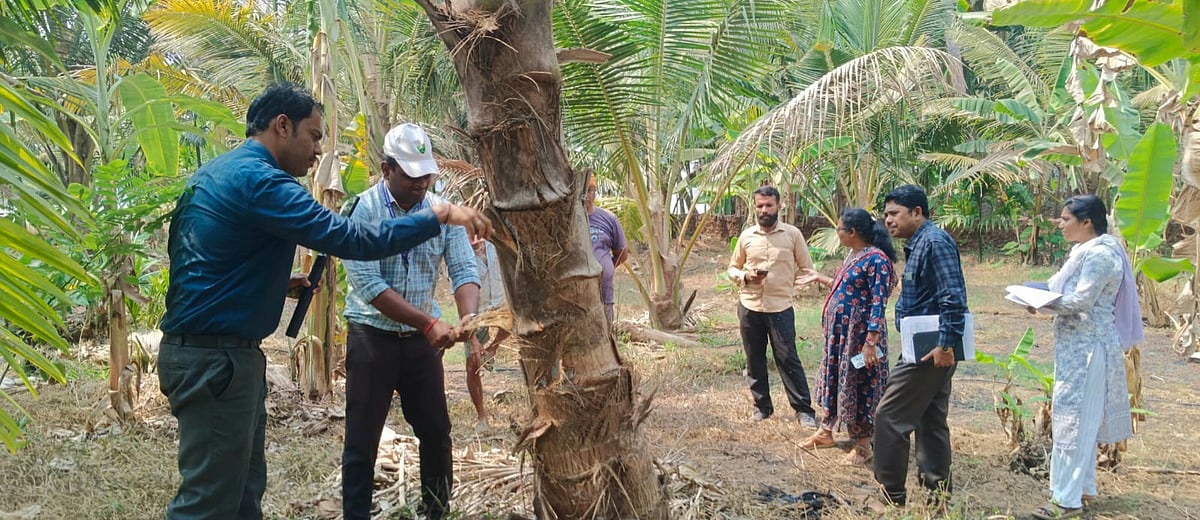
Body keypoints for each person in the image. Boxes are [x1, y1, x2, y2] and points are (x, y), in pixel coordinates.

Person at [157, 84, 491, 520]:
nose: (318, 151)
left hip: (215, 355)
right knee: (208, 504)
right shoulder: (263, 182)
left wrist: (274, 283)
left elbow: (201, 258)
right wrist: (440, 216)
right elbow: (351, 239)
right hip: (216, 361)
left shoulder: (219, 172)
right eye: (313, 137)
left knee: (239, 494)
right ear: (282, 126)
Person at [340, 123, 483, 520]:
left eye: (427, 175)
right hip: (372, 338)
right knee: (361, 440)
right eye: (411, 176)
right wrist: (427, 323)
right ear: (387, 170)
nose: (421, 184)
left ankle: (436, 510)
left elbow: (463, 268)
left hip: (422, 345)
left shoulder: (441, 211)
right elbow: (369, 285)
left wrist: (468, 320)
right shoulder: (361, 211)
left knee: (436, 431)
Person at [1029, 195, 1138, 520]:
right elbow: (1056, 286)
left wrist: (1044, 303)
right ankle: (1082, 489)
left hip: (1090, 350)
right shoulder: (1082, 251)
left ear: (1086, 221)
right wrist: (1031, 292)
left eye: (1065, 219)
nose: (1060, 225)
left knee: (1073, 424)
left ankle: (1065, 501)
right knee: (1078, 423)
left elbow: (1081, 300)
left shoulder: (1102, 255)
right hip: (1076, 349)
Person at [873, 184, 967, 507]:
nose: (888, 220)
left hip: (930, 350)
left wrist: (945, 344)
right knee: (930, 421)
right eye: (886, 214)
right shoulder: (919, 243)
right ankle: (938, 497)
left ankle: (890, 496)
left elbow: (953, 297)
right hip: (924, 346)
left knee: (888, 417)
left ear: (917, 212)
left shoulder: (935, 242)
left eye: (895, 213)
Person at [798, 208, 896, 465]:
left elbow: (878, 302)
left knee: (860, 382)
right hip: (840, 337)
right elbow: (849, 289)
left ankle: (863, 445)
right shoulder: (855, 255)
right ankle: (826, 431)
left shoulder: (877, 260)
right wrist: (820, 278)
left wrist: (871, 342)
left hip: (861, 338)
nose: (837, 233)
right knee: (836, 378)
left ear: (852, 233)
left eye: (839, 229)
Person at [727, 185, 818, 427]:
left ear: (779, 206)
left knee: (788, 358)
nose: (764, 210)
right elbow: (732, 268)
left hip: (780, 307)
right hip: (750, 306)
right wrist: (746, 277)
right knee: (754, 358)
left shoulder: (792, 235)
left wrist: (793, 285)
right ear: (754, 207)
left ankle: (804, 410)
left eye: (769, 205)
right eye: (760, 206)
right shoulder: (747, 237)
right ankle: (762, 407)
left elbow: (807, 269)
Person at [466, 237, 510, 430]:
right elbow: (459, 291)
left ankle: (492, 349)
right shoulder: (461, 254)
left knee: (515, 323)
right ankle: (482, 418)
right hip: (477, 311)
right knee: (471, 365)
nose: (473, 236)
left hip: (502, 304)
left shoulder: (496, 246)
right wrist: (473, 338)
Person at [583, 172, 628, 323]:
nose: (587, 195)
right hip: (578, 296)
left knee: (605, 333)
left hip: (604, 295)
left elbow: (621, 253)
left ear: (595, 192)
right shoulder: (567, 222)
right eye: (583, 191)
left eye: (590, 190)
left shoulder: (608, 219)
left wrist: (606, 269)